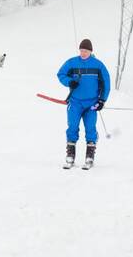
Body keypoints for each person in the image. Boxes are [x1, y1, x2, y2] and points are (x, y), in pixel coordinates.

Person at [56, 38, 111, 169]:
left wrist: (102, 100)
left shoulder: (98, 65)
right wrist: (69, 82)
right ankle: (70, 155)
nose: (83, 53)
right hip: (75, 102)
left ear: (91, 51)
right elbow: (61, 74)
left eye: (86, 51)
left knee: (90, 128)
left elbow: (106, 83)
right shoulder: (72, 62)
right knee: (72, 126)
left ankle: (90, 156)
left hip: (91, 104)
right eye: (81, 50)